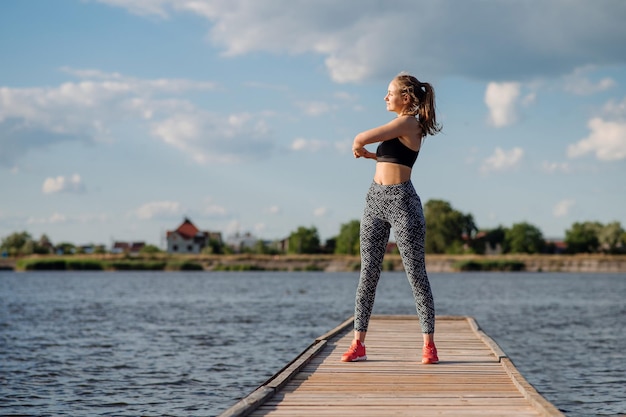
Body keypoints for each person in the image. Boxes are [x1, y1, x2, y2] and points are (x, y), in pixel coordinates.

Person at [342, 72, 442, 364]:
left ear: (406, 98)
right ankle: (358, 343)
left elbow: (361, 137)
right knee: (368, 273)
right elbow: (391, 157)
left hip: (402, 202)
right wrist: (372, 156)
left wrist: (359, 145)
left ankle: (429, 346)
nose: (386, 97)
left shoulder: (410, 122)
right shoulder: (400, 127)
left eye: (390, 92)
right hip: (374, 199)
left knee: (415, 274)